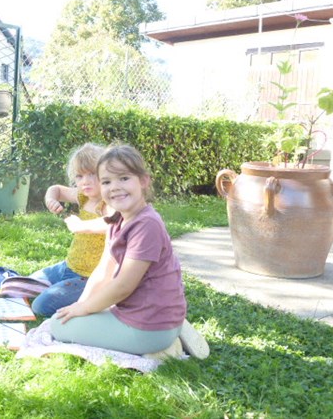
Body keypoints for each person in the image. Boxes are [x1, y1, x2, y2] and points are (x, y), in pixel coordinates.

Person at [50, 144, 206, 357]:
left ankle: (164, 347)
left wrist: (85, 309)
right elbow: (103, 272)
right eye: (106, 181)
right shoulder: (117, 220)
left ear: (143, 181)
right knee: (64, 318)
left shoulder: (147, 225)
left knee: (57, 327)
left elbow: (123, 286)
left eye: (123, 178)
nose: (114, 187)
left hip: (148, 326)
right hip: (136, 312)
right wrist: (79, 306)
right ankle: (165, 336)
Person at [29, 143, 111, 317]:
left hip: (88, 278)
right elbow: (56, 189)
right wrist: (51, 200)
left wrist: (82, 226)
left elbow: (113, 222)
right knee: (25, 284)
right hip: (68, 266)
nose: (85, 181)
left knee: (41, 306)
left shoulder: (109, 202)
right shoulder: (83, 196)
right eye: (79, 176)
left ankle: (90, 299)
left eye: (92, 174)